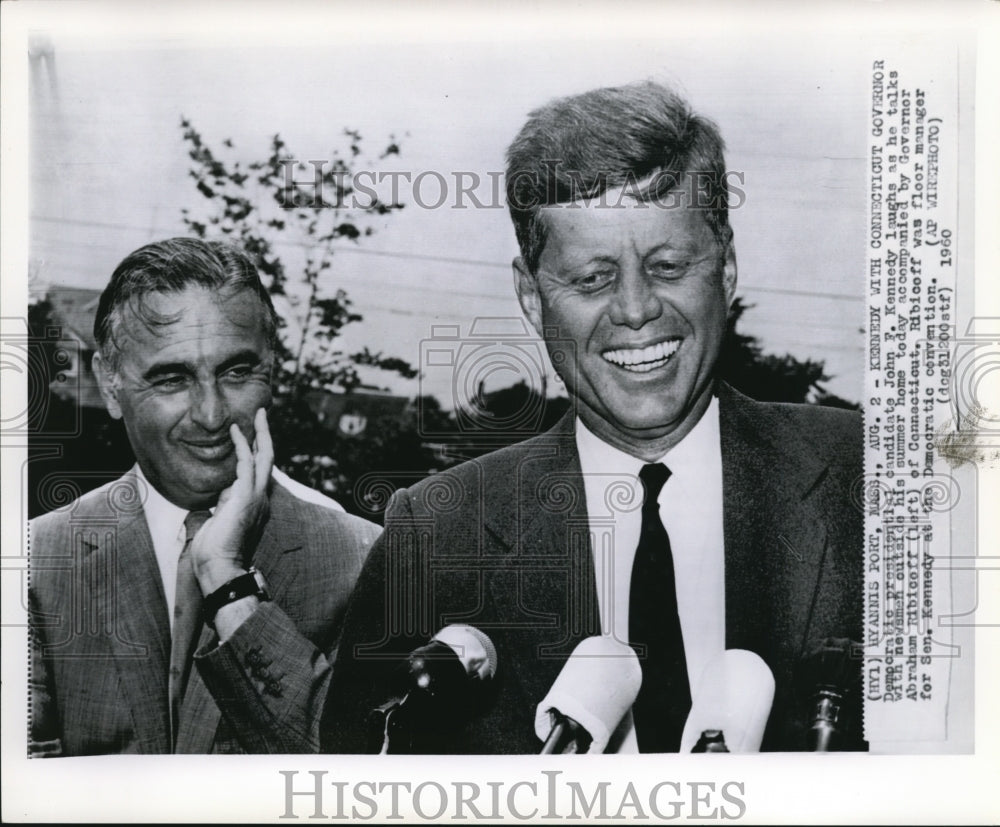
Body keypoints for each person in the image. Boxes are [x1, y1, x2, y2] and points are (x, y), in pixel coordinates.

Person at [321, 81, 864, 754]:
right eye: (591, 279)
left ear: (725, 268)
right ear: (530, 295)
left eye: (668, 265)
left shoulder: (869, 482)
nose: (636, 309)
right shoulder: (433, 538)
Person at [28, 237, 379, 755]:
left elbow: (351, 773)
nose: (212, 415)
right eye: (171, 379)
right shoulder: (37, 560)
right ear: (108, 384)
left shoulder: (362, 559)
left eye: (237, 371)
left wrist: (225, 577)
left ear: (272, 369)